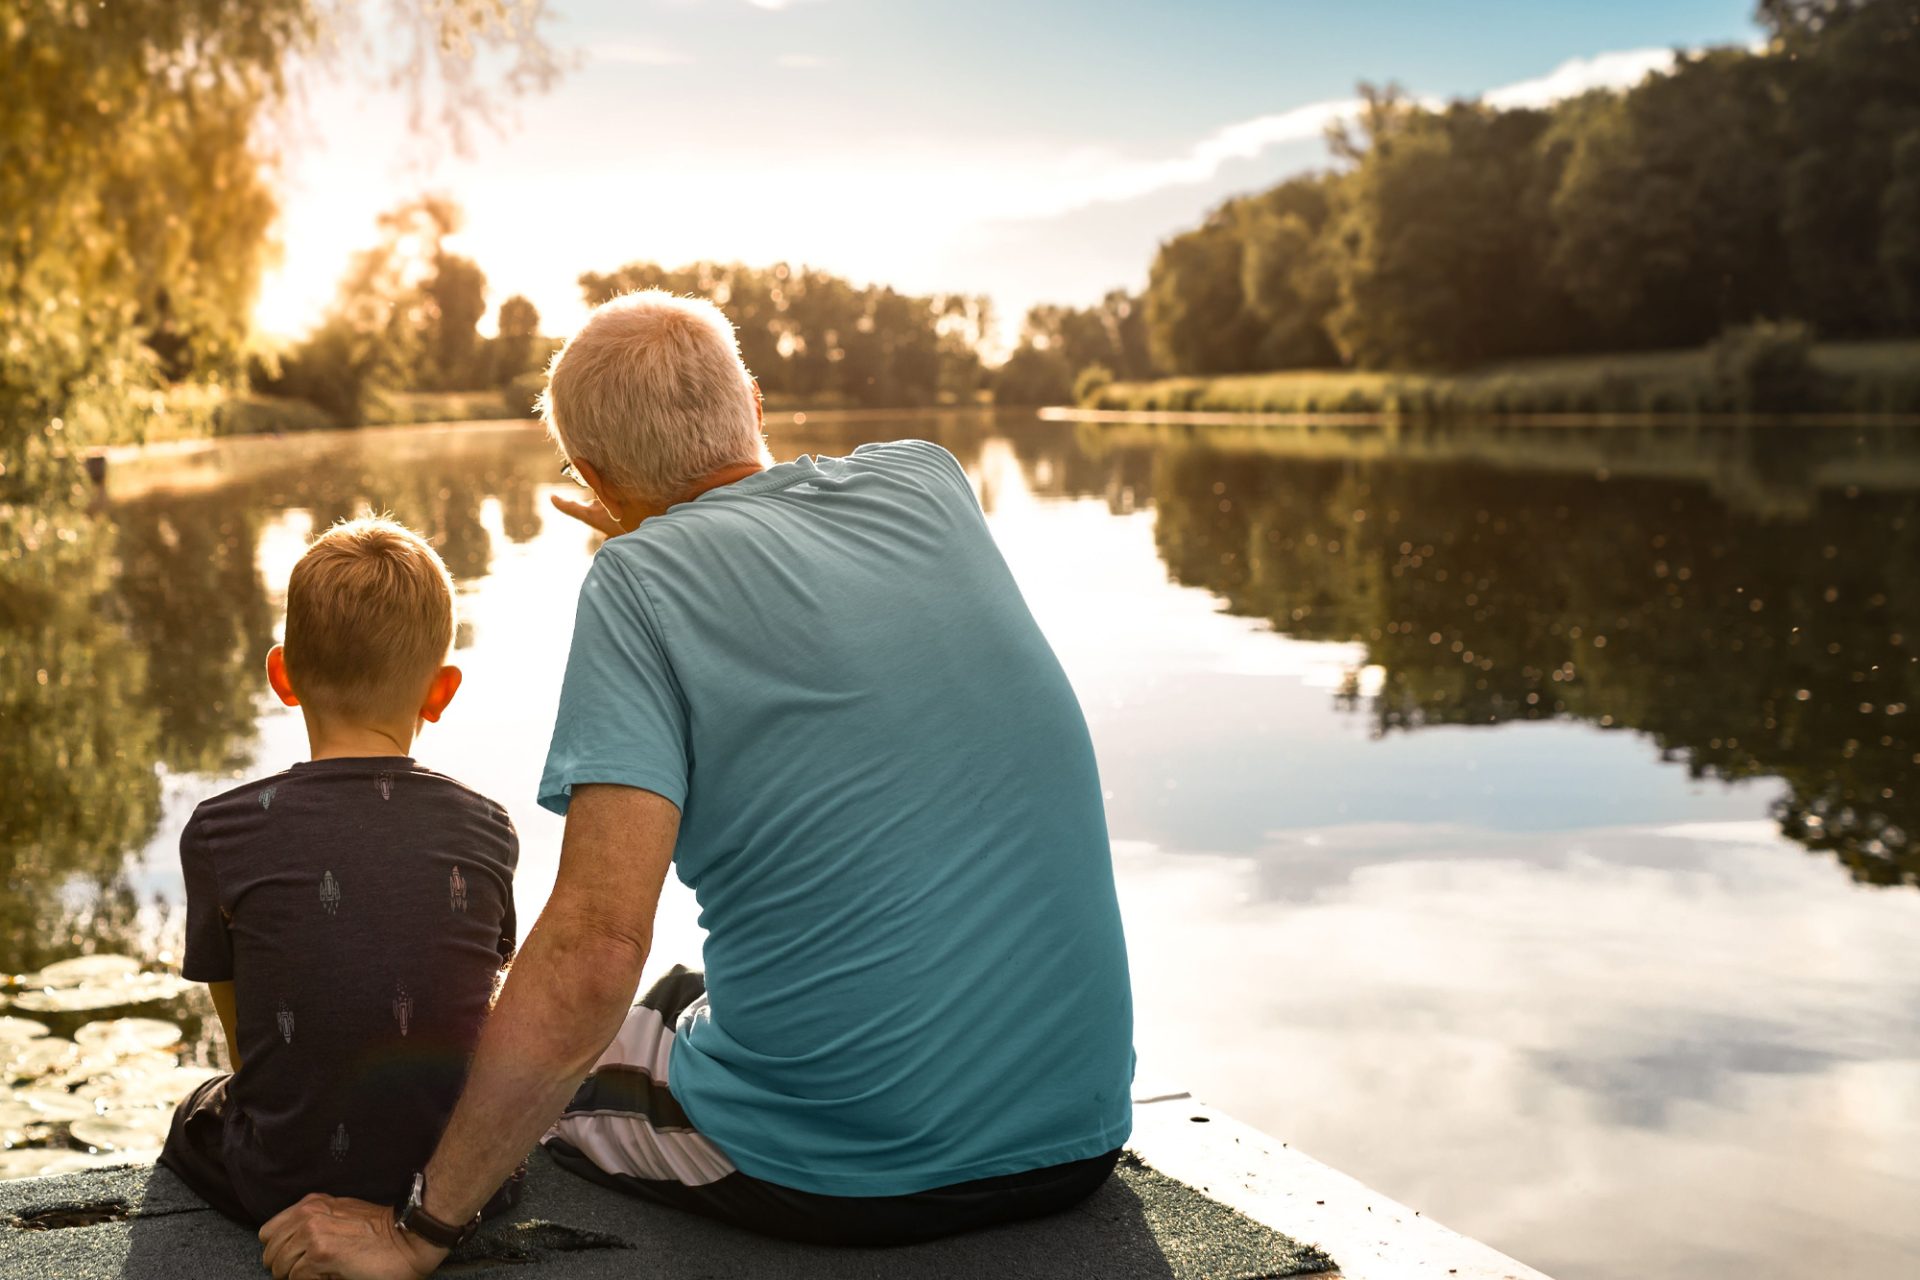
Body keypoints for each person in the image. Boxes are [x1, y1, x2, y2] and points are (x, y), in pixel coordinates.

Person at [258, 293, 1133, 1279]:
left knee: (514, 1055)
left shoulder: (636, 582)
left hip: (849, 1172)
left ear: (588, 475)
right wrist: (657, 513)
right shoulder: (927, 479)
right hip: (1077, 1132)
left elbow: (596, 945)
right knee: (680, 993)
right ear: (753, 399)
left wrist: (414, 1230)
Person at [160, 517, 521, 1227]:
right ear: (439, 692)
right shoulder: (488, 826)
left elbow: (247, 1050)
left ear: (281, 676)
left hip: (281, 1185)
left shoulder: (219, 830)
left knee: (194, 1112)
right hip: (465, 1186)